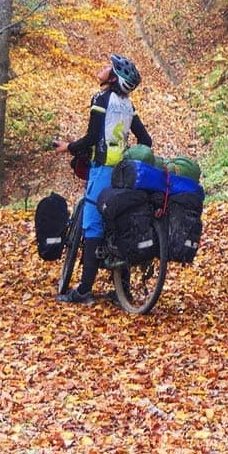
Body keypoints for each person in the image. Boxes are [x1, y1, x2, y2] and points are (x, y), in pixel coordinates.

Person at [51, 54, 151, 303]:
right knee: (117, 224)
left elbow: (92, 138)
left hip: (103, 170)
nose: (103, 68)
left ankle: (84, 290)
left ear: (113, 77)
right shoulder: (128, 106)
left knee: (93, 223)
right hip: (123, 173)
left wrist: (68, 147)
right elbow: (146, 141)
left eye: (109, 67)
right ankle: (122, 291)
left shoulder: (101, 99)